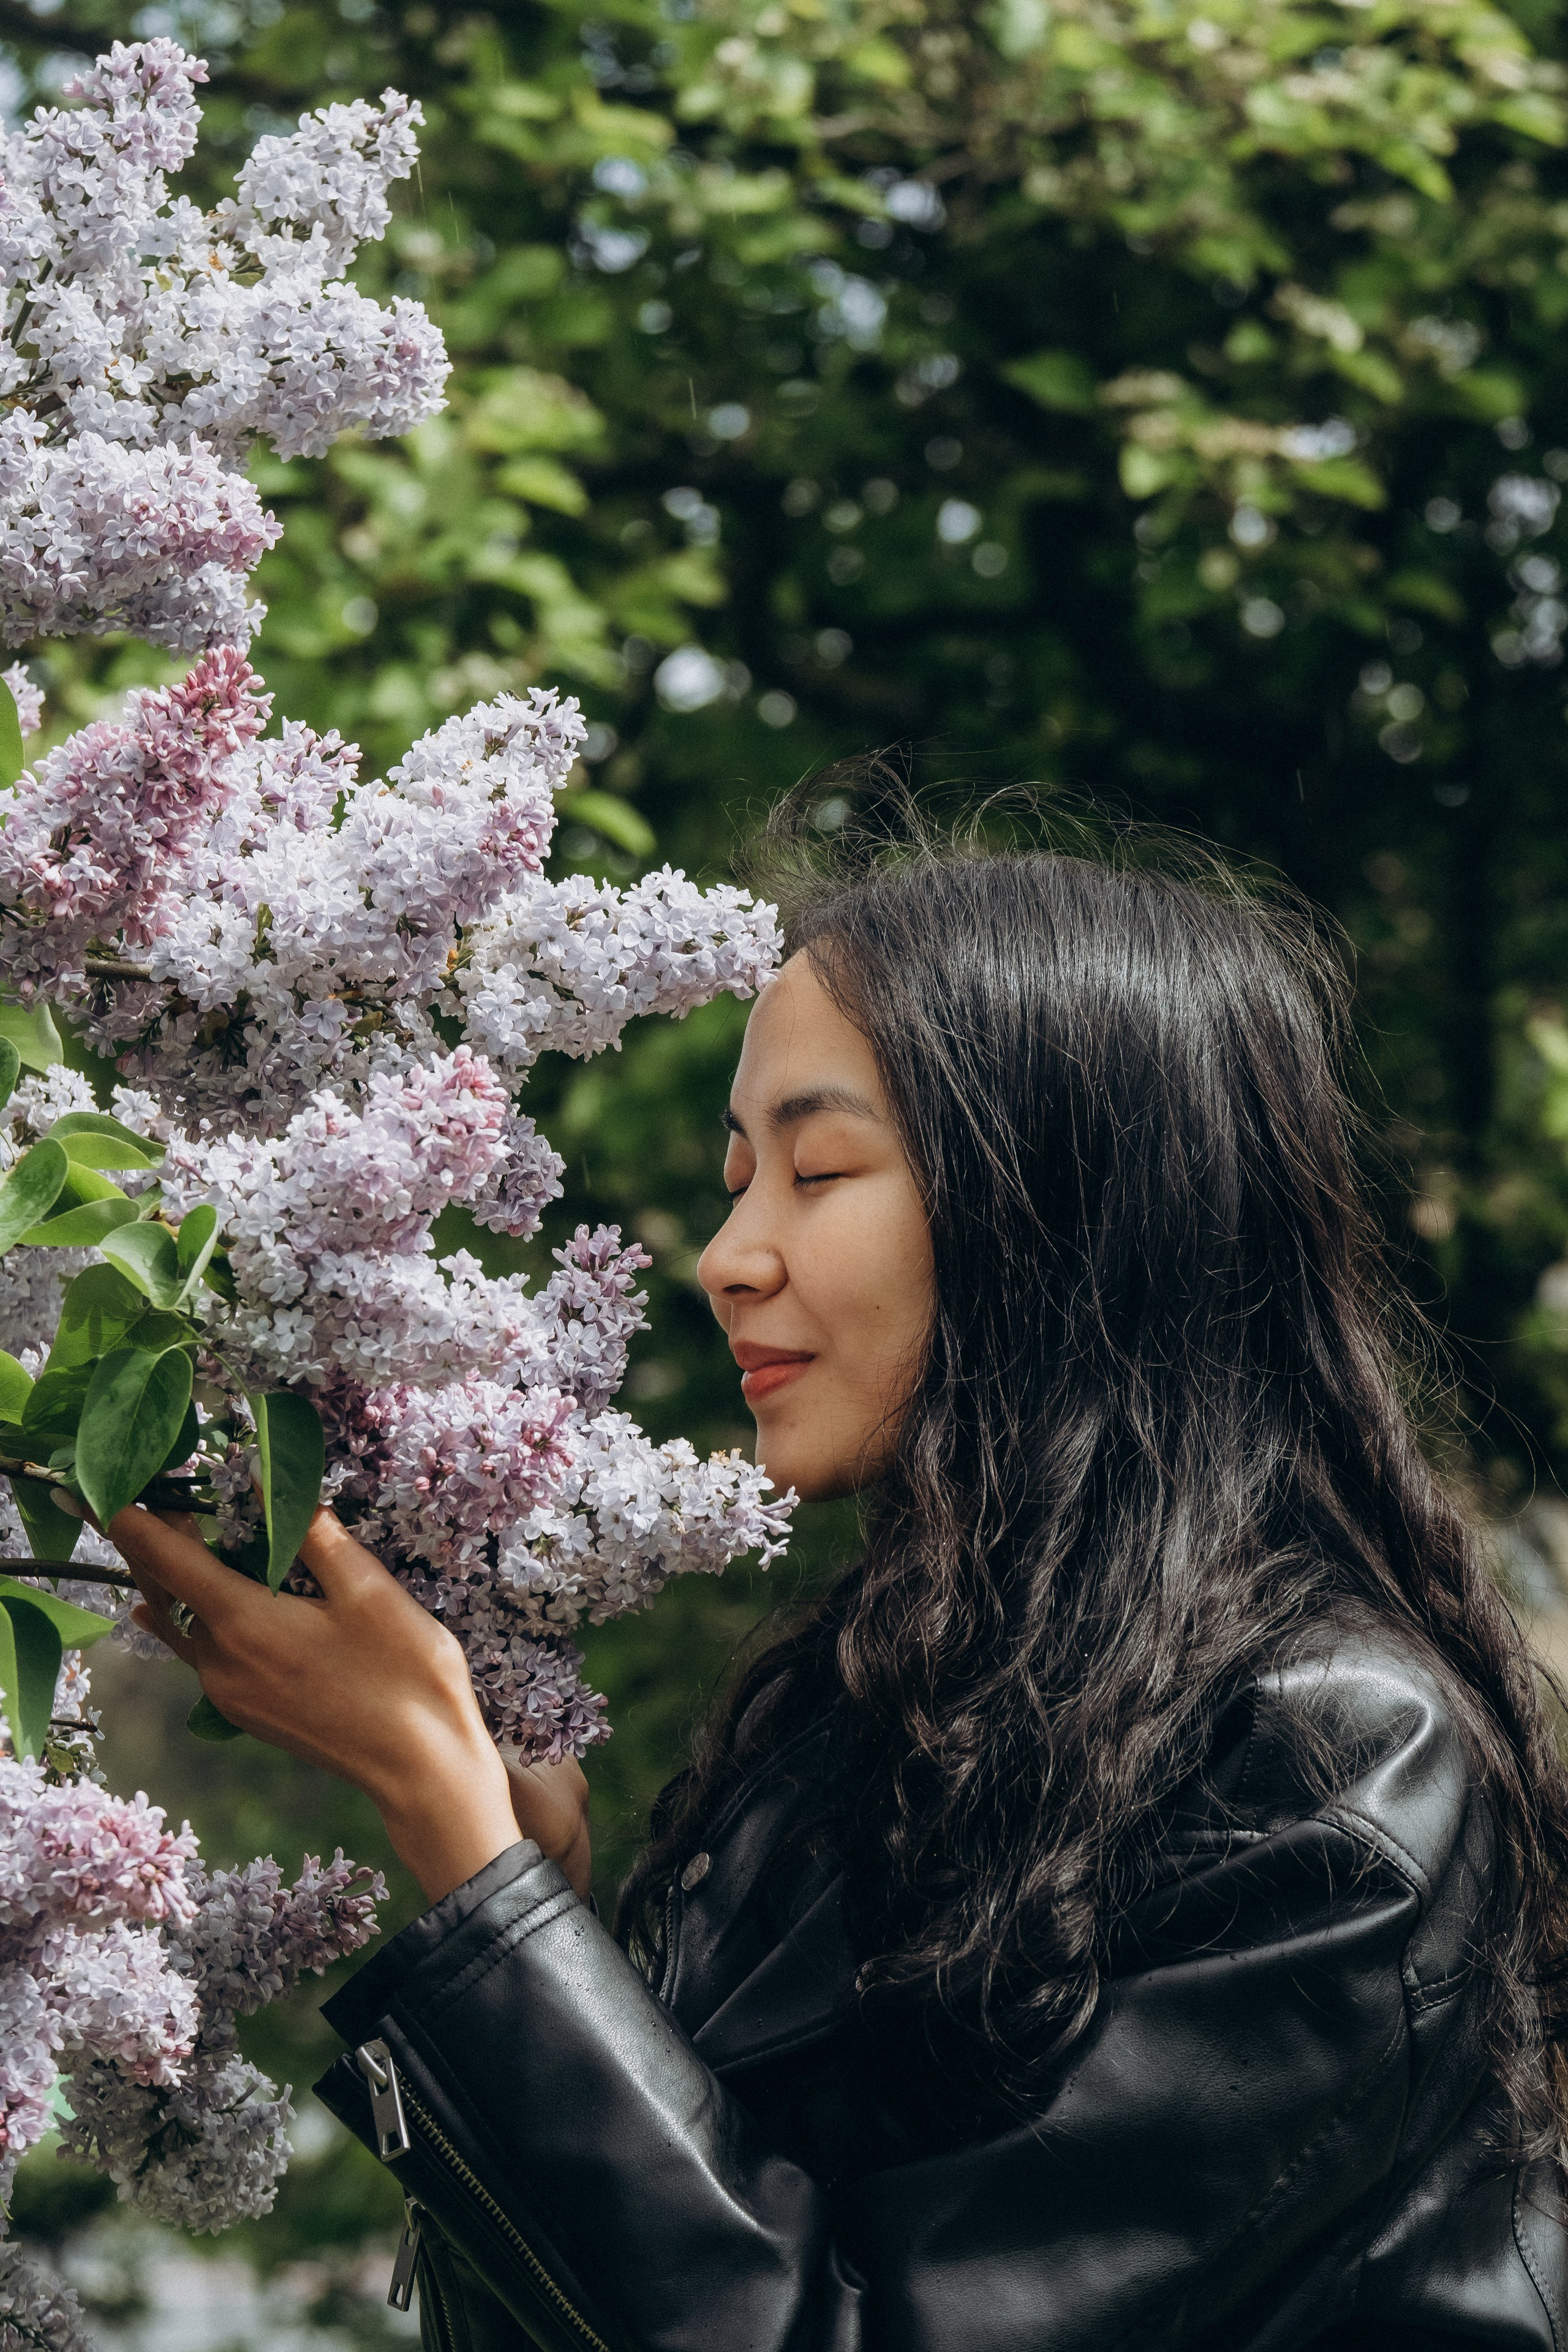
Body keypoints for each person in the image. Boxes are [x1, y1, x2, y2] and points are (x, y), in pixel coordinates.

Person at [111, 826, 1568, 2351]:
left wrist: (460, 1850)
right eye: (738, 1179)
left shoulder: (1322, 1762)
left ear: (1059, 1210)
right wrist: (535, 1900)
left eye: (817, 1170)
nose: (730, 1256)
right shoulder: (867, 1721)